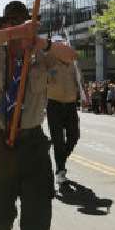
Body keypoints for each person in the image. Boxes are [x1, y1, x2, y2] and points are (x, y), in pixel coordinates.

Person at [0, 0, 76, 230]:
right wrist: (14, 33)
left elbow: (70, 56)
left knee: (38, 221)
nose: (18, 26)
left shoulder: (41, 55)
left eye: (23, 21)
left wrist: (40, 42)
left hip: (34, 145)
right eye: (13, 22)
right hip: (1, 144)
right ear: (5, 25)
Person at [45, 35, 81, 188]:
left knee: (74, 136)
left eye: (63, 44)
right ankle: (60, 169)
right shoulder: (49, 61)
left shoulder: (72, 63)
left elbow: (77, 79)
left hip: (71, 104)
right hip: (54, 104)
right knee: (58, 140)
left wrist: (81, 94)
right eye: (58, 45)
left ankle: (61, 160)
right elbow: (42, 78)